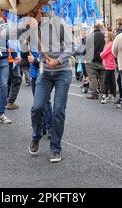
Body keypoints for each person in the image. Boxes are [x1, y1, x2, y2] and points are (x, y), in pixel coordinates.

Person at [23, 10, 75, 163]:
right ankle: (36, 136)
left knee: (59, 110)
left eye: (33, 14)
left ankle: (55, 147)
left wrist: (58, 61)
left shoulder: (58, 22)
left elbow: (72, 45)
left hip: (62, 72)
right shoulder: (33, 27)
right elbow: (25, 47)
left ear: (40, 10)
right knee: (37, 107)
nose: (31, 17)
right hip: (45, 73)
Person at [84, 23, 106, 100]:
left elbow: (86, 49)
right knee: (103, 77)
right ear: (100, 28)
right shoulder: (104, 36)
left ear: (93, 28)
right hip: (103, 59)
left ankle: (94, 93)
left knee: (92, 77)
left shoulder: (89, 37)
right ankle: (104, 93)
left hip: (91, 60)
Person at [99, 32, 116, 104]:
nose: (104, 38)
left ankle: (104, 95)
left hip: (109, 65)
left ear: (109, 37)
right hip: (110, 64)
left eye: (106, 37)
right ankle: (111, 94)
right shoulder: (109, 44)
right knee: (111, 80)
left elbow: (102, 54)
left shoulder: (110, 44)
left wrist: (101, 54)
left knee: (106, 81)